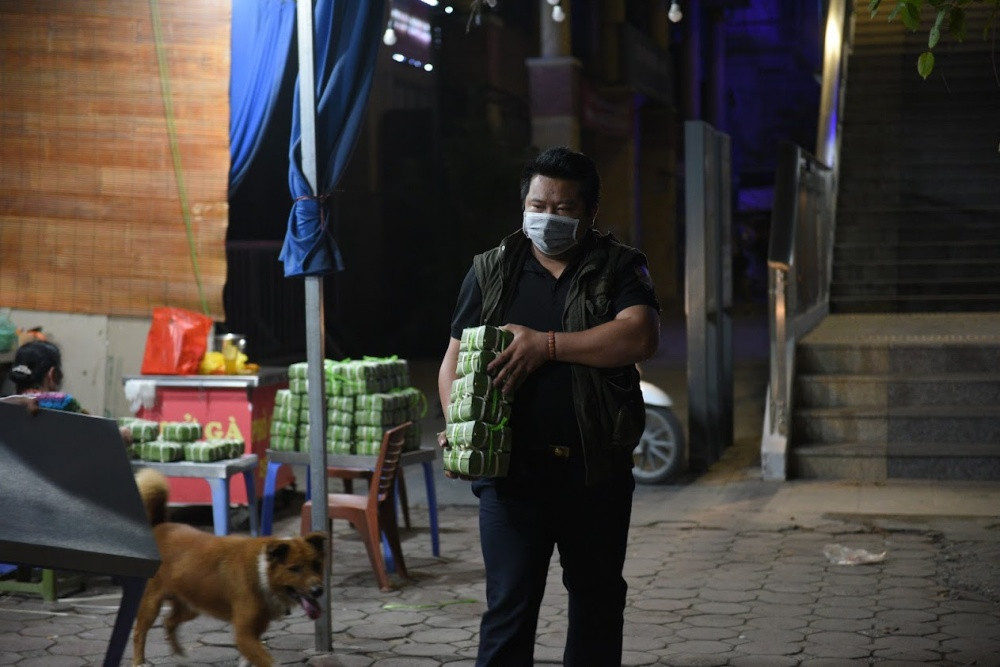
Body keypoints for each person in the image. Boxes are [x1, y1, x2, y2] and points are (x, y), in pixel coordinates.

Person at [437, 146, 661, 666]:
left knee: (597, 605)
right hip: (512, 477)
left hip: (594, 472)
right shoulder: (492, 270)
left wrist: (547, 345)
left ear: (589, 213)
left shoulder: (619, 267)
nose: (548, 217)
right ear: (523, 205)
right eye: (539, 205)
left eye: (564, 209)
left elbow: (639, 335)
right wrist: (459, 424)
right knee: (508, 611)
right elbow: (452, 361)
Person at [6, 340, 132, 442]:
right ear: (52, 374)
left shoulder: (7, 406)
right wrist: (123, 433)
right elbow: (97, 431)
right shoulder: (61, 403)